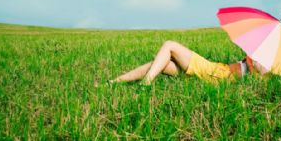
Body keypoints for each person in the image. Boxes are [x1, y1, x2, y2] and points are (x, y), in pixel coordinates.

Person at [110, 40, 267, 85]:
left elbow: (256, 74)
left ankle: (146, 82)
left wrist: (254, 57)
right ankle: (114, 82)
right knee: (160, 64)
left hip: (215, 74)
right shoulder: (261, 55)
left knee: (170, 45)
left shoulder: (268, 65)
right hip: (216, 70)